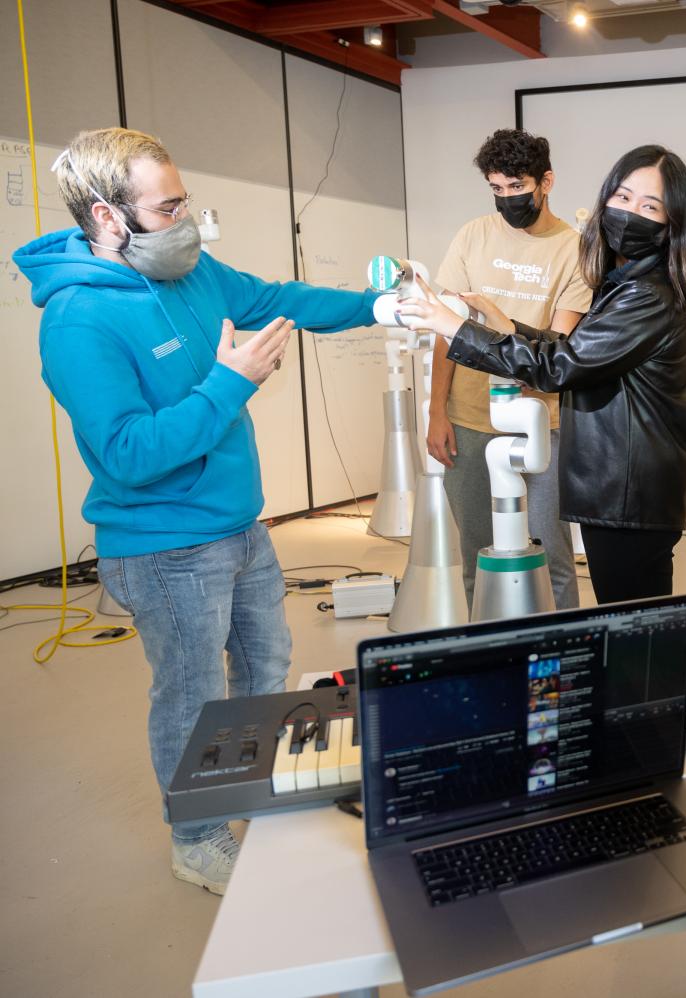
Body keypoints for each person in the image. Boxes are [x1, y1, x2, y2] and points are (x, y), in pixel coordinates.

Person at [13, 128, 380, 894]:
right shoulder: (79, 319)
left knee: (266, 666)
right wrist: (229, 382)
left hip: (242, 527)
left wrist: (384, 305)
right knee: (190, 694)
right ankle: (199, 834)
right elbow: (128, 452)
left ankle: (249, 789)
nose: (189, 221)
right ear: (108, 218)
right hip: (165, 548)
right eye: (169, 206)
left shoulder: (189, 271)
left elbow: (280, 300)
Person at [398, 145, 686, 604]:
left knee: (630, 619)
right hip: (623, 486)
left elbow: (558, 368)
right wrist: (509, 328)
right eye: (622, 198)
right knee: (626, 614)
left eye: (649, 205)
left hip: (627, 489)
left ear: (673, 220)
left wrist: (455, 326)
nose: (629, 214)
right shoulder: (628, 282)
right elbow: (577, 352)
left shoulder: (646, 295)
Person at [428, 128, 592, 610]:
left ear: (546, 181)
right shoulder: (473, 235)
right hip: (469, 418)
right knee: (478, 553)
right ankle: (492, 656)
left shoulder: (575, 250)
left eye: (516, 187)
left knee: (551, 553)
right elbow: (447, 333)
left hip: (542, 420)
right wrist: (438, 411)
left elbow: (559, 346)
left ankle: (565, 655)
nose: (506, 199)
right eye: (496, 189)